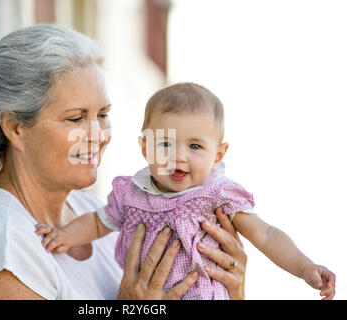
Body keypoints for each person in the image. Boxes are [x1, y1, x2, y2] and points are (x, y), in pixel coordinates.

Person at [0, 24, 247, 300]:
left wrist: (228, 290)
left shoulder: (95, 215)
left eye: (103, 115)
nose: (98, 135)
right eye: (76, 118)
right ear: (15, 128)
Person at [36, 82, 336, 300]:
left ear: (218, 154)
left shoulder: (217, 196)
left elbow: (267, 235)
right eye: (165, 143)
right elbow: (98, 222)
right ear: (145, 147)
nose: (179, 156)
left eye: (195, 146)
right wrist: (65, 235)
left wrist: (305, 267)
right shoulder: (132, 192)